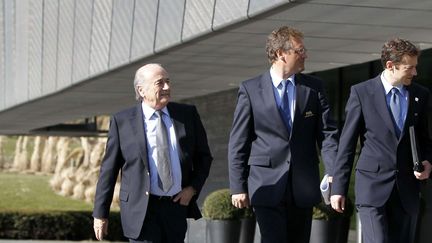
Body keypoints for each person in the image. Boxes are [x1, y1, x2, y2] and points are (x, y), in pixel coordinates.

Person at [228, 25, 339, 243]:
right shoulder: (250, 89)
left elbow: (328, 134)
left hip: (303, 185)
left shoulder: (314, 88)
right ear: (280, 53)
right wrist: (237, 187)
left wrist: (333, 170)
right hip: (265, 184)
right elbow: (238, 141)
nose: (305, 54)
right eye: (299, 50)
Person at [92, 63, 213, 243]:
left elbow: (204, 157)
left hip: (175, 207)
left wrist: (193, 188)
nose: (167, 87)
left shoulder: (187, 114)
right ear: (141, 90)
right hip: (141, 211)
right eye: (160, 83)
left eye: (168, 82)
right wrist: (100, 214)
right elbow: (109, 171)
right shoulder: (122, 121)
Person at [330, 38, 432, 243]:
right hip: (372, 188)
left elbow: (426, 138)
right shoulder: (361, 93)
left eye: (415, 67)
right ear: (390, 66)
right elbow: (347, 145)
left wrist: (428, 161)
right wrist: (338, 188)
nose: (415, 73)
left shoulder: (421, 95)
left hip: (407, 191)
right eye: (409, 68)